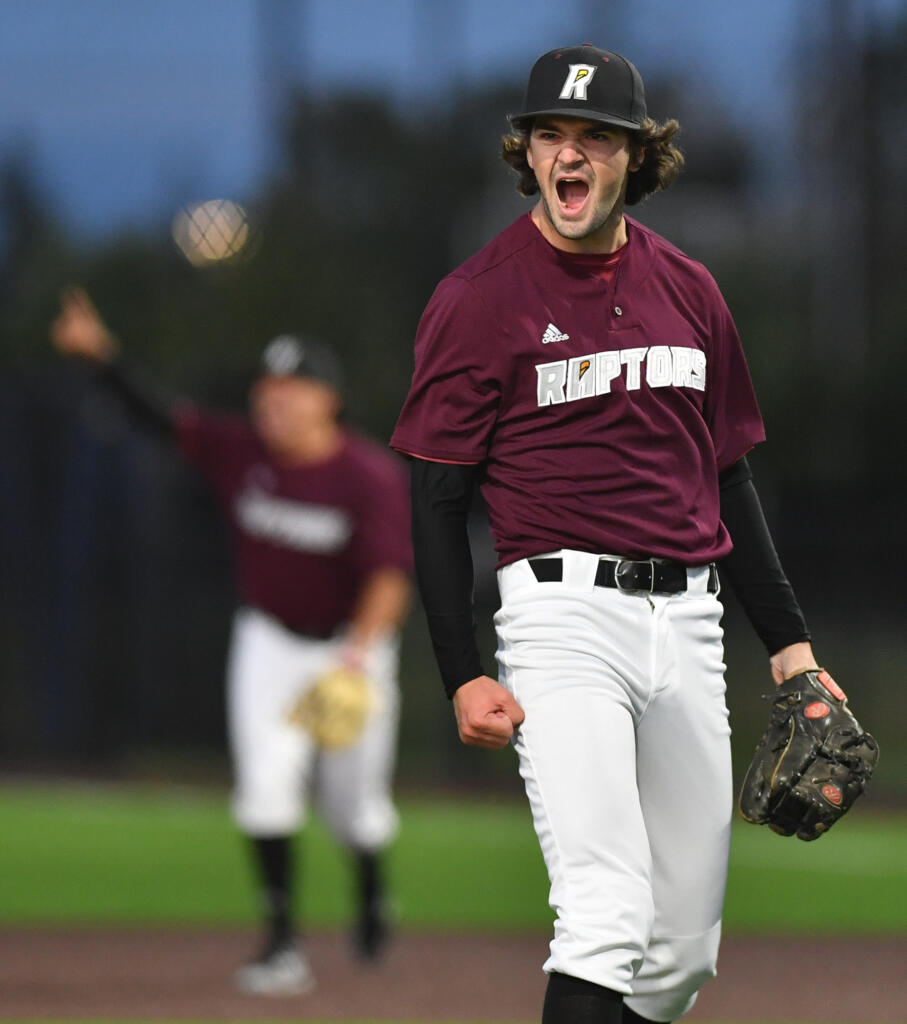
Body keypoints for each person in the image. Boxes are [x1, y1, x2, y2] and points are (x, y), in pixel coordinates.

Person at [391, 44, 820, 1024]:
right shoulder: (479, 299)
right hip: (562, 618)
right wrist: (462, 668)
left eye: (594, 136)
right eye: (550, 134)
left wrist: (790, 648)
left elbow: (729, 478)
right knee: (605, 912)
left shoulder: (693, 291)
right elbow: (436, 496)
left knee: (680, 951)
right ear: (526, 154)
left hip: (692, 624)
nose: (568, 153)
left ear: (636, 155)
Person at [51, 288, 412, 997]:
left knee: (352, 807)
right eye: (266, 389)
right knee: (264, 789)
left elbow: (389, 581)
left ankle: (371, 888)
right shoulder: (238, 450)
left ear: (328, 401)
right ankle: (281, 943)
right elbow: (160, 418)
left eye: (291, 390)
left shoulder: (367, 475)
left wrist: (358, 656)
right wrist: (101, 358)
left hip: (350, 649)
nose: (272, 402)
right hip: (269, 644)